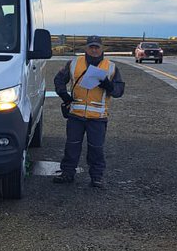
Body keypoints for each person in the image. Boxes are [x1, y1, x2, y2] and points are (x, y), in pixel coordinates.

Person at [53, 35, 125, 189]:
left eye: (96, 47)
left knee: (96, 148)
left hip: (98, 117)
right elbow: (59, 79)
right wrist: (64, 95)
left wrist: (108, 85)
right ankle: (67, 173)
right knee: (71, 146)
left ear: (101, 49)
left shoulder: (111, 67)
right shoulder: (74, 63)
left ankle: (97, 177)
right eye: (91, 47)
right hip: (76, 115)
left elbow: (119, 91)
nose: (94, 50)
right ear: (86, 48)